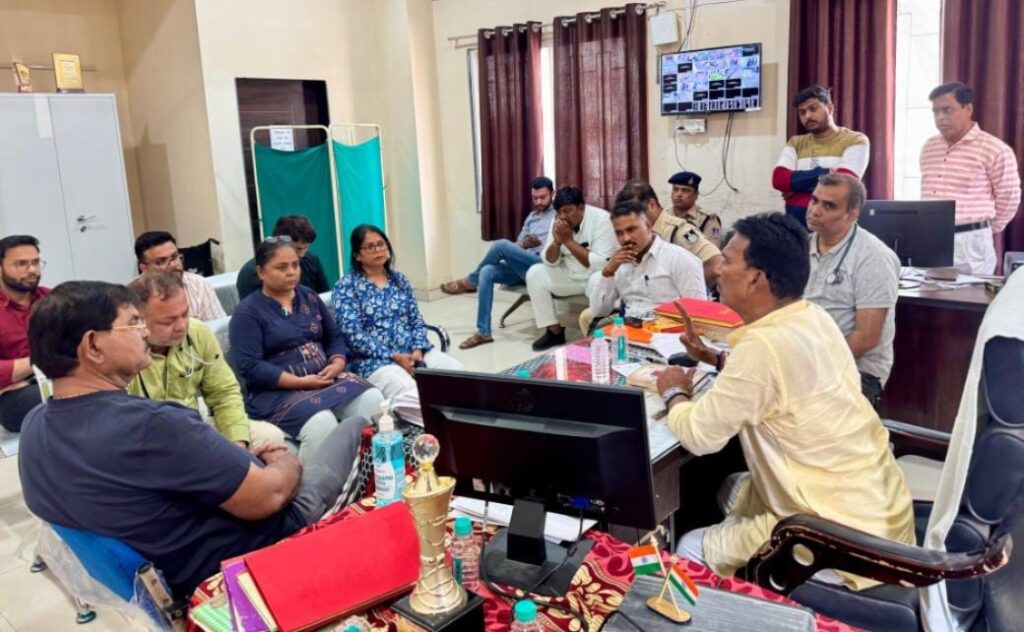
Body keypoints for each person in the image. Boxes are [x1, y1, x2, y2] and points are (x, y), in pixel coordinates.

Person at [19, 281, 366, 599]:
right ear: (93, 345)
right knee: (359, 429)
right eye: (134, 323)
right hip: (252, 558)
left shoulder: (35, 427)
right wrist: (285, 461)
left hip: (172, 577)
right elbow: (268, 497)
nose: (145, 332)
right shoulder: (152, 424)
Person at [655, 213, 914, 590]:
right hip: (876, 509)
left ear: (756, 279)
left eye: (728, 260)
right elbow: (786, 376)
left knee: (690, 547)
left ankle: (716, 609)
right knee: (730, 488)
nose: (718, 269)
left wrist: (673, 391)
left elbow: (700, 436)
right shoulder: (813, 316)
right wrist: (716, 359)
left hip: (832, 535)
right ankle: (744, 588)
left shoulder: (763, 347)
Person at [230, 238, 384, 463]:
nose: (291, 272)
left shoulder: (309, 296)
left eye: (295, 265)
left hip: (325, 378)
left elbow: (334, 336)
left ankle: (371, 472)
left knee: (373, 399)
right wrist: (299, 382)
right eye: (282, 267)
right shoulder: (247, 312)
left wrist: (337, 363)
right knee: (322, 422)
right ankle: (317, 484)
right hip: (278, 392)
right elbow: (250, 366)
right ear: (261, 272)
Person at [127, 270, 287, 449]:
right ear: (138, 321)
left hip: (193, 423)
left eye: (184, 314)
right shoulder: (122, 352)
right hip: (145, 440)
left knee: (270, 437)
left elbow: (223, 393)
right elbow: (122, 426)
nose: (181, 326)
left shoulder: (197, 332)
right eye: (168, 322)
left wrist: (238, 445)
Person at [333, 225, 463, 400]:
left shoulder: (399, 279)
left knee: (457, 374)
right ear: (357, 255)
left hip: (414, 353)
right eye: (370, 247)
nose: (377, 249)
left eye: (381, 244)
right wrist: (394, 356)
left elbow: (416, 320)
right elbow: (353, 334)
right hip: (375, 361)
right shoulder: (346, 286)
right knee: (411, 393)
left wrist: (417, 350)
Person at [804, 174, 899, 408]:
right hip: (805, 362)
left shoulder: (874, 257)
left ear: (852, 214)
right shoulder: (801, 246)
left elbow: (866, 337)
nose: (815, 210)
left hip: (855, 372)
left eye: (828, 206)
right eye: (814, 200)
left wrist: (811, 366)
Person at [441, 176, 557, 350]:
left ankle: (470, 282)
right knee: (486, 271)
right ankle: (484, 332)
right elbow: (517, 245)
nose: (539, 202)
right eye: (535, 198)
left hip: (541, 266)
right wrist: (524, 244)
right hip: (523, 267)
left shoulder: (558, 215)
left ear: (552, 194)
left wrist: (539, 245)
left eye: (543, 197)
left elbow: (557, 245)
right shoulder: (531, 217)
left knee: (501, 244)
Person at [920, 81, 1021, 274]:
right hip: (930, 237)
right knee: (924, 292)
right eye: (936, 112)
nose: (940, 117)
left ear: (968, 109)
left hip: (970, 241)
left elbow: (1009, 198)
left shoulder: (995, 149)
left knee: (971, 293)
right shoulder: (929, 147)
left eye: (947, 110)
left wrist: (982, 228)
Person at [581, 200, 706, 332]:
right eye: (619, 233)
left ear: (648, 226)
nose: (626, 238)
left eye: (631, 230)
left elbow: (699, 314)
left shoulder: (679, 259)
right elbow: (599, 311)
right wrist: (608, 272)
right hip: (629, 331)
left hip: (668, 334)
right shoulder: (619, 264)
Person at [526, 186, 617, 351]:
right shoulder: (558, 220)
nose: (562, 216)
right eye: (559, 212)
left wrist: (568, 241)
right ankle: (554, 331)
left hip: (595, 277)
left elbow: (601, 264)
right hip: (570, 276)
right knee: (535, 273)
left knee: (598, 278)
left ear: (581, 207)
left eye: (567, 211)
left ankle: (599, 332)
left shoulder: (602, 220)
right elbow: (549, 261)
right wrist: (556, 242)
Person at [772, 85, 870, 228]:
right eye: (802, 112)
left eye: (813, 109)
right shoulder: (796, 143)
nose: (807, 116)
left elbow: (843, 183)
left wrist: (795, 187)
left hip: (834, 228)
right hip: (796, 227)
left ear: (830, 108)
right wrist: (827, 173)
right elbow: (779, 179)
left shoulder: (855, 140)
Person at [615, 180, 723, 288]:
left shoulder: (679, 231)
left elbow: (716, 263)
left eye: (635, 212)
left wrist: (688, 288)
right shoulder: (632, 234)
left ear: (651, 205)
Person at [0, 235, 49, 433]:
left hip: (57, 377)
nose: (32, 270)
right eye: (21, 264)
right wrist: (42, 360)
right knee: (34, 400)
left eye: (36, 262)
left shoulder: (52, 298)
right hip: (17, 393)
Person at [135, 231, 226, 321]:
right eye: (161, 261)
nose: (173, 265)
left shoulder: (199, 285)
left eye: (174, 257)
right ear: (144, 268)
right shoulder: (133, 296)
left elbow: (217, 326)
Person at [236, 215, 330, 301]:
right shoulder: (249, 274)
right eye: (297, 248)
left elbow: (325, 300)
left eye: (306, 248)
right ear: (261, 273)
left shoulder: (311, 261)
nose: (302, 254)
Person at [668, 171, 723, 248]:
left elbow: (712, 251)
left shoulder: (707, 220)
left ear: (696, 195)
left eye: (685, 190)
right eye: (675, 189)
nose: (679, 194)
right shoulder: (663, 216)